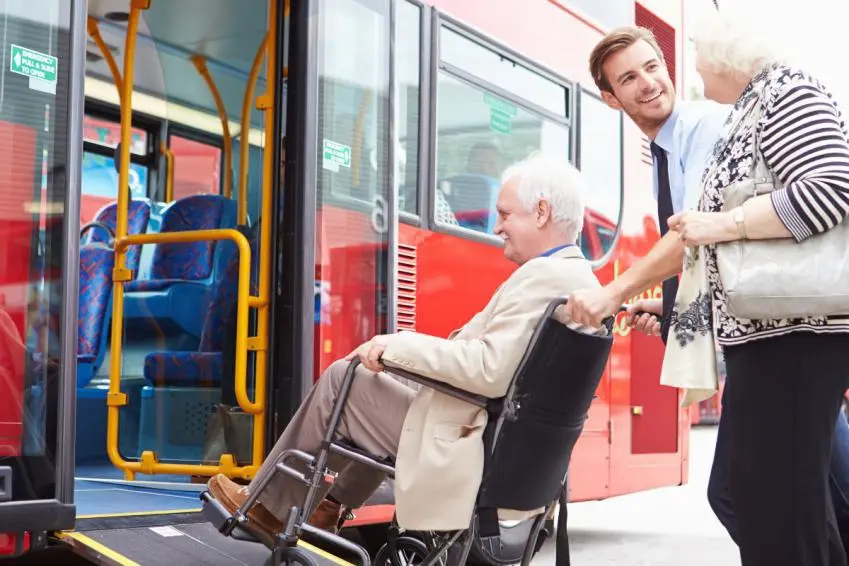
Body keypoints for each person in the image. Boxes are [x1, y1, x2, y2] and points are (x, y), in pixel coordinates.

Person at [206, 153, 603, 545]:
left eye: (504, 214)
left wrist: (397, 343)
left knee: (343, 381)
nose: (497, 226)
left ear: (541, 213)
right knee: (378, 378)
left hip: (472, 446)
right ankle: (328, 508)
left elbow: (488, 370)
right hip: (503, 446)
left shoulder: (544, 277)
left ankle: (267, 509)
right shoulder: (577, 277)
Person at [573, 19, 849, 565]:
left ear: (727, 56)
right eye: (631, 77)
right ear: (611, 97)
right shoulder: (727, 118)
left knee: (774, 503)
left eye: (660, 65)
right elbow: (710, 253)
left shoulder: (754, 105)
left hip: (794, 330)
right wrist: (676, 309)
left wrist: (617, 290)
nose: (672, 75)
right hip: (769, 332)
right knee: (780, 503)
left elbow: (827, 192)